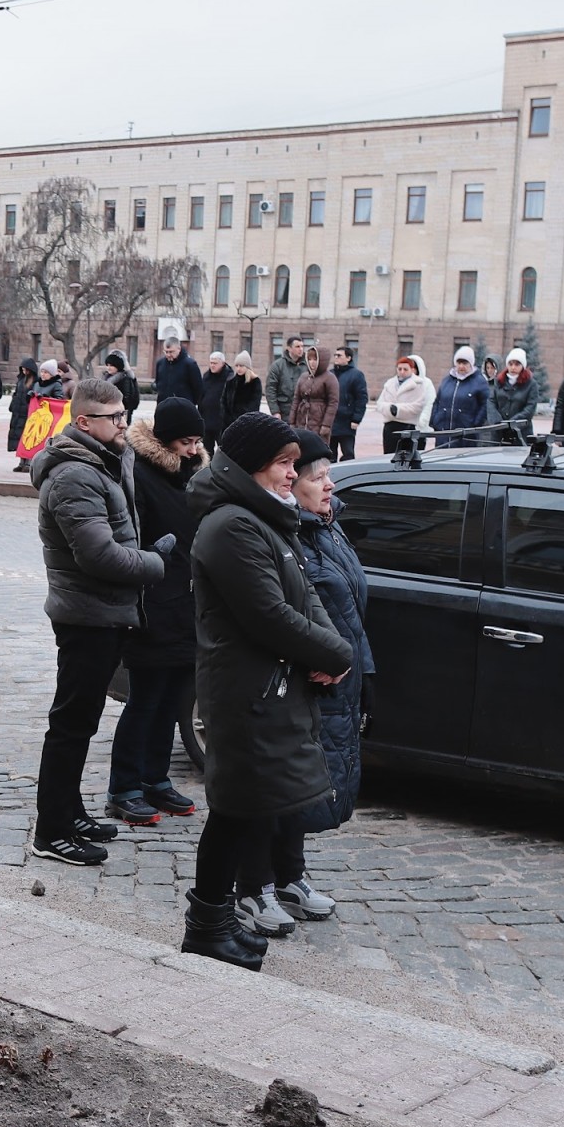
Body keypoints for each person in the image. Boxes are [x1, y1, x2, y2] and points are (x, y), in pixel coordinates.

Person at [184, 413, 354, 970]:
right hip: (245, 693)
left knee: (249, 808)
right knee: (232, 810)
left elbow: (305, 598)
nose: (291, 474)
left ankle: (217, 921)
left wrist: (331, 651)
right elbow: (269, 614)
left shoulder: (264, 518)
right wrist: (333, 654)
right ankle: (207, 926)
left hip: (271, 688)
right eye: (284, 463)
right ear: (253, 466)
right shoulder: (231, 525)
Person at [237, 430, 373, 938]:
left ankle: (288, 874)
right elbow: (281, 615)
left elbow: (350, 613)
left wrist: (362, 669)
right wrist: (324, 658)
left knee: (304, 783)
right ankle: (254, 885)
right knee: (275, 786)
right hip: (296, 680)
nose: (328, 484)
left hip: (334, 677)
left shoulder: (326, 529)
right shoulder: (278, 533)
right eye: (317, 477)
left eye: (325, 474)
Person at [30, 377, 170, 866]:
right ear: (84, 422)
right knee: (70, 725)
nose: (124, 423)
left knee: (82, 721)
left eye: (124, 413)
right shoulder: (75, 475)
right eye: (114, 417)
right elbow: (99, 555)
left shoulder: (107, 459)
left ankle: (70, 812)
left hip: (105, 612)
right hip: (86, 615)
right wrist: (154, 563)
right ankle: (51, 832)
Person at [106, 398, 204, 827]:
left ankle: (156, 779)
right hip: (151, 605)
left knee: (172, 700)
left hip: (188, 605)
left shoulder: (195, 477)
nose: (193, 449)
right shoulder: (139, 474)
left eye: (198, 441)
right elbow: (128, 539)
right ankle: (124, 787)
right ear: (165, 440)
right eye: (186, 441)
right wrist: (153, 560)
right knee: (145, 700)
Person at [429, 346, 490, 446]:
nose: (461, 366)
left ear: (471, 364)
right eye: (459, 363)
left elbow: (486, 404)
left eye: (465, 363)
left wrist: (475, 424)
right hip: (443, 434)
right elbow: (437, 401)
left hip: (466, 436)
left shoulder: (479, 382)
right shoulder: (447, 380)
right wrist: (435, 420)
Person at [375, 355, 431, 453]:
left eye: (405, 369)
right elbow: (380, 404)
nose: (402, 371)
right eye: (399, 369)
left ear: (412, 370)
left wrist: (398, 410)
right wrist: (389, 409)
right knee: (389, 456)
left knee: (406, 456)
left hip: (407, 427)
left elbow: (418, 406)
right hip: (390, 427)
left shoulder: (419, 384)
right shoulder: (390, 383)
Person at [287, 344, 338, 438]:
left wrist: (326, 424)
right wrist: (292, 421)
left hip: (319, 421)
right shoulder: (303, 377)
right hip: (301, 419)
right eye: (309, 359)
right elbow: (296, 399)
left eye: (315, 359)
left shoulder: (329, 378)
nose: (312, 362)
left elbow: (333, 402)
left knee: (318, 444)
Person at [490, 347, 540, 442]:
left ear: (522, 366)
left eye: (517, 364)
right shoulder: (499, 381)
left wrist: (511, 423)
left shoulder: (531, 384)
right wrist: (497, 422)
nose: (513, 367)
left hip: (521, 433)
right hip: (499, 432)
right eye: (510, 364)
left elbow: (530, 408)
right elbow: (491, 401)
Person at [330, 347, 368, 461]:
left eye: (339, 355)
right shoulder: (330, 374)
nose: (336, 358)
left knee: (348, 453)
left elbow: (361, 398)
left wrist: (356, 419)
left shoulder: (356, 375)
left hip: (347, 421)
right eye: (335, 355)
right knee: (329, 454)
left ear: (348, 358)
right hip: (331, 420)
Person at [7, 359, 39, 473]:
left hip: (29, 414)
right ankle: (21, 462)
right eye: (23, 369)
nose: (24, 372)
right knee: (20, 438)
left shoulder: (35, 382)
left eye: (26, 370)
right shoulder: (20, 380)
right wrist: (13, 406)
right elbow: (16, 394)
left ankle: (28, 462)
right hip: (18, 413)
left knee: (29, 438)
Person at [198, 351, 232, 455]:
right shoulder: (206, 376)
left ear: (223, 363)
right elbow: (201, 396)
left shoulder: (230, 378)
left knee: (224, 451)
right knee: (207, 452)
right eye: (211, 363)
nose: (212, 365)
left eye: (215, 363)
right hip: (207, 420)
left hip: (222, 422)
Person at [154, 337, 202, 406]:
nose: (168, 355)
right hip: (163, 406)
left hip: (184, 407)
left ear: (179, 349)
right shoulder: (160, 363)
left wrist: (190, 404)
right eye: (166, 352)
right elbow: (158, 382)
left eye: (171, 352)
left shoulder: (190, 364)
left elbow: (198, 388)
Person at [264, 338, 305, 418]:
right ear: (289, 348)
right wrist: (275, 411)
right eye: (297, 346)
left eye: (302, 346)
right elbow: (270, 389)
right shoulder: (278, 366)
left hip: (302, 414)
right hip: (284, 412)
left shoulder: (307, 366)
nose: (301, 349)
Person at [100, 350, 141, 417]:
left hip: (121, 412)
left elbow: (127, 399)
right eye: (107, 365)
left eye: (111, 365)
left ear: (118, 366)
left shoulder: (125, 379)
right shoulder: (105, 378)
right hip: (107, 411)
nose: (108, 368)